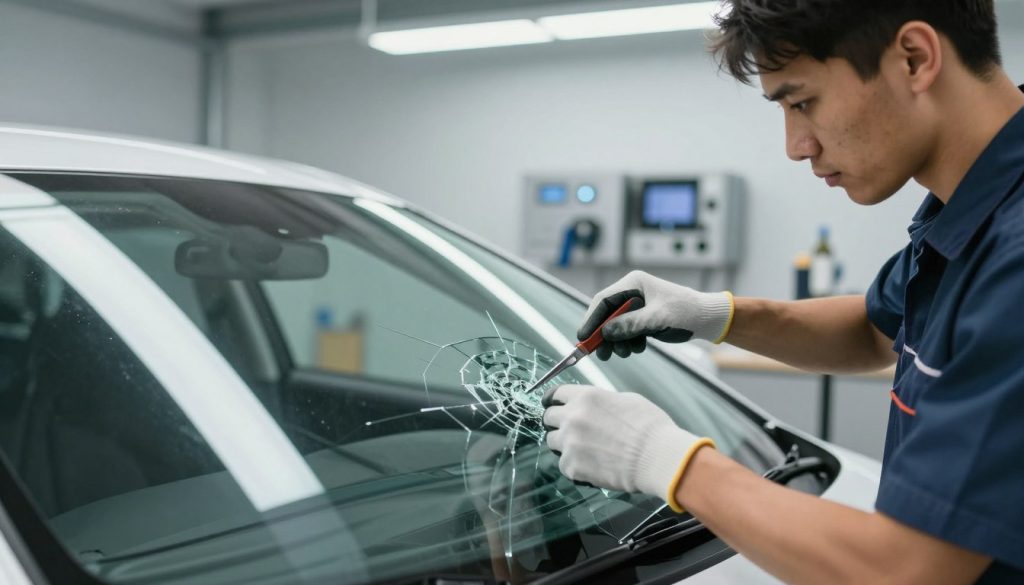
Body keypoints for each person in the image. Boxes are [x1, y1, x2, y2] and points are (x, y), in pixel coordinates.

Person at [540, 1, 1024, 583]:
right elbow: (875, 330)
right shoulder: (978, 202)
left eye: (802, 102)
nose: (797, 145)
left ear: (914, 59)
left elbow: (909, 569)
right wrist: (712, 313)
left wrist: (666, 461)